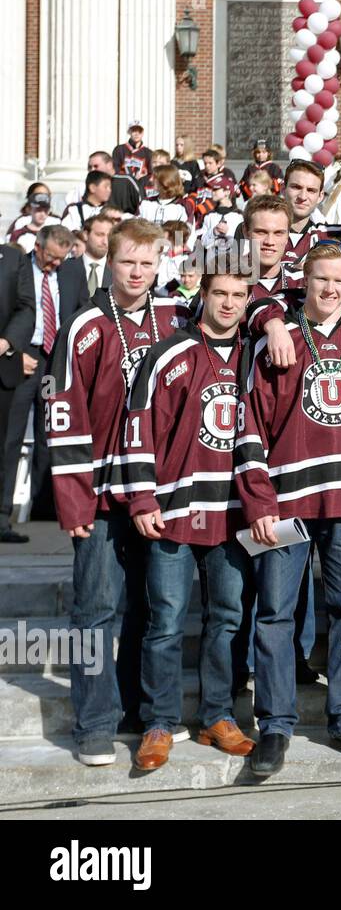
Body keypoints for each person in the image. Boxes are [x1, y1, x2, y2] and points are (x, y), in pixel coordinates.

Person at [234, 242, 341, 777]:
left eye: (340, 280)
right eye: (320, 280)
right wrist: (260, 501)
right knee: (274, 613)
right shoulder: (276, 346)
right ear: (304, 282)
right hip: (285, 505)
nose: (330, 289)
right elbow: (248, 431)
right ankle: (275, 724)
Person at [47, 218, 190, 766]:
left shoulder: (176, 317)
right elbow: (63, 412)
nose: (137, 272)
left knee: (151, 608)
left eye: (147, 263)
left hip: (155, 494)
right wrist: (73, 498)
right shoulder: (84, 323)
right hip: (102, 496)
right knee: (95, 608)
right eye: (129, 261)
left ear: (159, 265)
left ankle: (139, 709)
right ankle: (93, 723)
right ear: (110, 258)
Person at [115, 269, 257, 770]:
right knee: (167, 620)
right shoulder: (167, 353)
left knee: (226, 618)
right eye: (220, 293)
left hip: (233, 513)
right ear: (203, 295)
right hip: (174, 510)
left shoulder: (256, 354)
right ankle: (159, 722)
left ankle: (217, 715)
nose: (228, 303)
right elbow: (137, 428)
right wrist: (141, 499)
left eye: (239, 295)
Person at [0, 225, 87, 542]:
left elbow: (81, 312)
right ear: (37, 247)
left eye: (60, 259)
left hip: (56, 361)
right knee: (10, 438)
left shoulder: (71, 272)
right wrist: (14, 351)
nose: (54, 264)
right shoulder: (16, 268)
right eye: (50, 257)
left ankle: (47, 508)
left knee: (52, 434)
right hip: (23, 359)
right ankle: (2, 516)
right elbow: (12, 313)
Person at [0, 241, 36, 543]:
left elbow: (26, 306)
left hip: (2, 365)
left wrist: (7, 342)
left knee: (6, 445)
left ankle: (1, 519)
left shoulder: (13, 259)